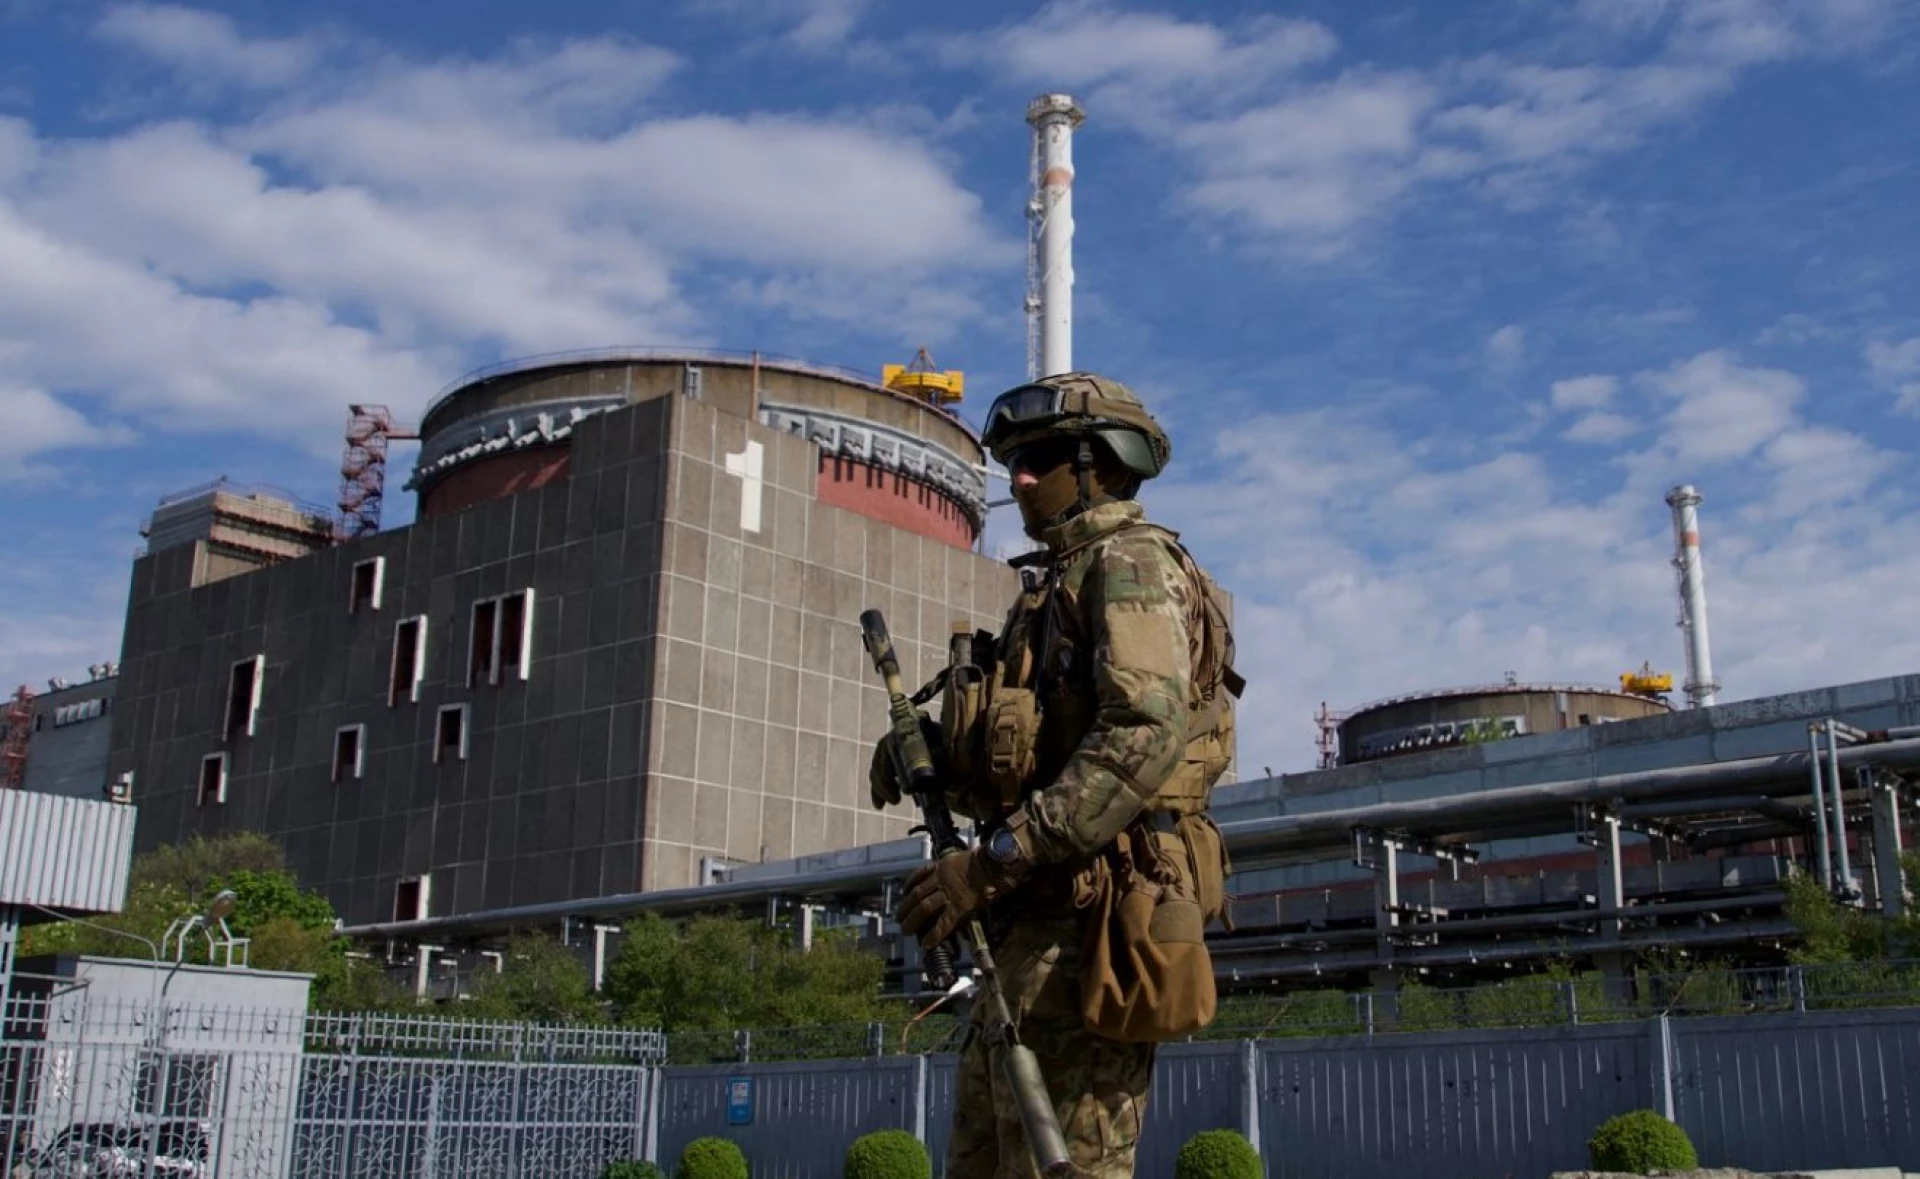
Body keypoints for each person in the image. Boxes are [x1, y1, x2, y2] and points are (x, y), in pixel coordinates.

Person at [870, 371, 1242, 1178]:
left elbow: (1142, 734)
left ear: (1099, 465)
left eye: (1038, 460)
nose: (1019, 479)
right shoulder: (1053, 589)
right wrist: (931, 753)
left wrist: (993, 861)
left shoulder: (1131, 563)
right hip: (1028, 931)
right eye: (1013, 462)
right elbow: (1029, 766)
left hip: (1093, 930)